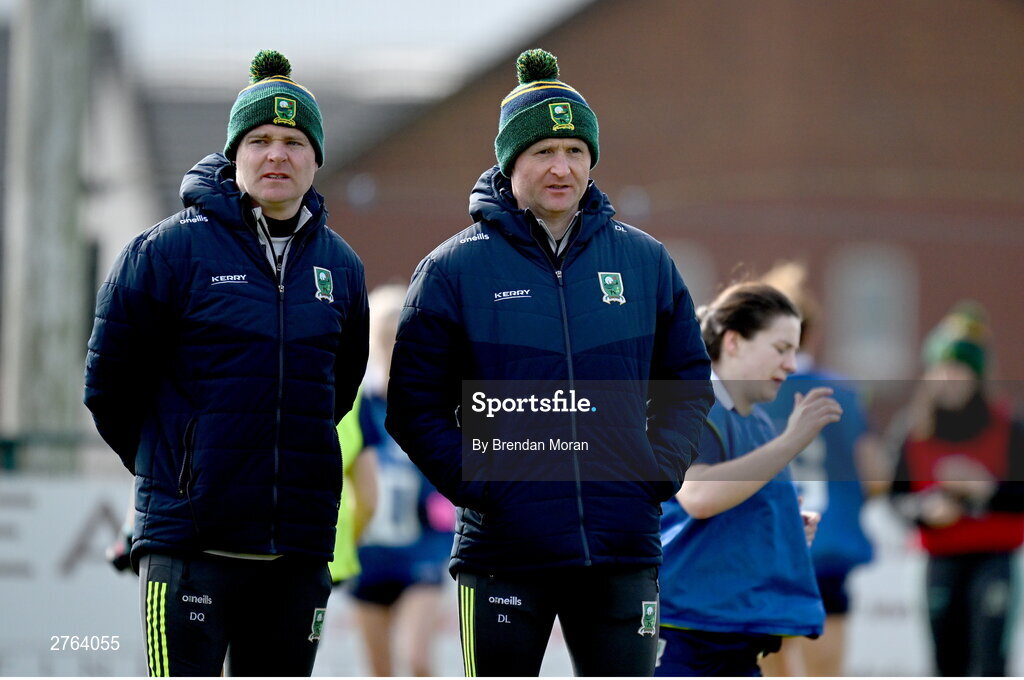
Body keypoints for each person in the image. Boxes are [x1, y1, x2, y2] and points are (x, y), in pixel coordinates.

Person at [385, 48, 713, 677]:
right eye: (542, 152)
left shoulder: (646, 263)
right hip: (504, 551)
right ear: (511, 162)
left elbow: (687, 382)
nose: (561, 168)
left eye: (575, 151)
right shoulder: (454, 269)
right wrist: (480, 485)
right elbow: (414, 405)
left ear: (592, 160)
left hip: (620, 546)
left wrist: (656, 470)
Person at [83, 50, 369, 677]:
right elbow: (109, 387)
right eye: (260, 140)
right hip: (190, 543)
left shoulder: (341, 268)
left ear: (315, 159)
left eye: (294, 142)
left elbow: (337, 390)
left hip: (295, 549)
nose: (277, 155)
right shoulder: (167, 251)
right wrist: (178, 468)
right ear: (234, 153)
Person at [657, 282, 839, 677]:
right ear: (734, 341)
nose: (792, 364)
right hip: (685, 635)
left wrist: (784, 527)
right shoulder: (693, 399)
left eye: (795, 350)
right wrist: (792, 440)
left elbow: (730, 508)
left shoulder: (754, 420)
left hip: (732, 636)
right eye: (781, 349)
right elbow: (699, 495)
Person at [757, 262, 887, 677]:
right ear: (811, 330)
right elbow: (877, 477)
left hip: (765, 549)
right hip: (827, 549)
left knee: (773, 671)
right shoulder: (844, 392)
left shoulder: (749, 391)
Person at [888, 301, 1024, 677]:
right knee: (946, 660)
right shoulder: (914, 430)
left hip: (994, 555)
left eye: (959, 370)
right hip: (942, 557)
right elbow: (896, 499)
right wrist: (925, 511)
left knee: (989, 658)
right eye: (942, 369)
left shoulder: (1007, 425)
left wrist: (985, 489)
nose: (949, 378)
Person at [346, 284, 455, 677]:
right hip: (368, 557)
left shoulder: (432, 405)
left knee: (417, 659)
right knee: (380, 671)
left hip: (420, 554)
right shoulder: (356, 405)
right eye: (385, 339)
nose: (393, 349)